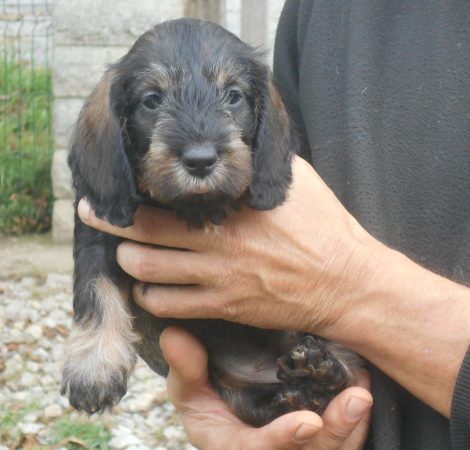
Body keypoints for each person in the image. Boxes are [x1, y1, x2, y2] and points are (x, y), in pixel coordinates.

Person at [76, 1, 470, 448]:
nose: (201, 146)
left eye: (232, 98)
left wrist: (347, 291)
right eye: (152, 101)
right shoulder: (316, 14)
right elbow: (98, 238)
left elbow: (280, 172)